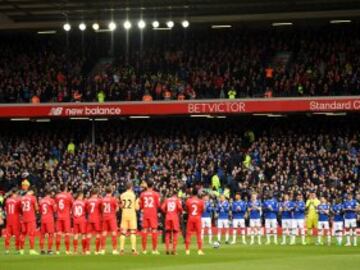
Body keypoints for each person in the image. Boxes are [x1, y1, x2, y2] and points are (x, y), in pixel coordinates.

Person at [139, 181, 161, 255]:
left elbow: (141, 206)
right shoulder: (156, 194)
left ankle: (144, 250)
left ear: (147, 185)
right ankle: (154, 250)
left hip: (145, 213)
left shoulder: (142, 194)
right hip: (153, 213)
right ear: (153, 186)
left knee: (144, 230)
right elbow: (158, 205)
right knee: (154, 230)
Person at [119, 182, 139, 255]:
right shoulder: (134, 195)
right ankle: (133, 250)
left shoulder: (122, 195)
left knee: (123, 232)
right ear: (131, 187)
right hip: (131, 214)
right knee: (133, 232)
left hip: (124, 214)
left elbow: (120, 206)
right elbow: (137, 208)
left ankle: (121, 250)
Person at [161, 190, 183, 255]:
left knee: (167, 233)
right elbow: (180, 208)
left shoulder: (167, 200)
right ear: (176, 195)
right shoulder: (177, 200)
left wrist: (166, 212)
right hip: (175, 217)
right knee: (176, 233)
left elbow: (162, 208)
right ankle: (174, 250)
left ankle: (167, 249)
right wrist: (179, 212)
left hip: (168, 217)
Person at [185, 188, 205, 255]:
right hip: (198, 218)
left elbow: (186, 209)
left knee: (188, 234)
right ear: (197, 193)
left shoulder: (188, 200)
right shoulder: (201, 201)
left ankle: (187, 250)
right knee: (199, 234)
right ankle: (199, 250)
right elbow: (203, 210)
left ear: (192, 193)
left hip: (190, 217)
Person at [55, 184, 73, 255]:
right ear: (65, 188)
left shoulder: (57, 196)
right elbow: (73, 204)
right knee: (67, 234)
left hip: (59, 216)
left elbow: (55, 205)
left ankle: (57, 250)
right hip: (66, 216)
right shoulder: (68, 196)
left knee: (59, 233)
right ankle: (67, 250)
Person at [101, 186, 119, 255]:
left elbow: (102, 209)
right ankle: (114, 250)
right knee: (114, 233)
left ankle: (102, 250)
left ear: (105, 191)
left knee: (104, 233)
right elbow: (117, 209)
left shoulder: (103, 199)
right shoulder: (113, 199)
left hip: (105, 216)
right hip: (112, 217)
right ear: (111, 191)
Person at [19, 190, 39, 255]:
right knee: (31, 234)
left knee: (23, 234)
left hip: (24, 218)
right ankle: (31, 250)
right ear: (32, 193)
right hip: (31, 218)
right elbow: (36, 208)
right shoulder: (33, 198)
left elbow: (20, 208)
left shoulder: (21, 198)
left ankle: (21, 250)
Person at [39, 189, 57, 254]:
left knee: (42, 235)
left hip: (43, 218)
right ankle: (49, 250)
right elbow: (55, 210)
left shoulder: (41, 201)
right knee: (51, 235)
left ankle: (42, 250)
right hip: (49, 219)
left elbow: (40, 211)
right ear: (49, 194)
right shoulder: (52, 200)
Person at [85, 188, 102, 255]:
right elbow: (101, 209)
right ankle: (97, 251)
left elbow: (86, 210)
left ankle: (87, 250)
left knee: (88, 234)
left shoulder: (88, 201)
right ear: (97, 193)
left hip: (90, 218)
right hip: (97, 219)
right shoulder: (99, 200)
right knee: (98, 234)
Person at [4, 188, 21, 254]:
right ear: (16, 193)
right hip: (15, 219)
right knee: (17, 235)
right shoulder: (18, 200)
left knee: (7, 235)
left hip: (9, 219)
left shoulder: (7, 200)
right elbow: (20, 209)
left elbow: (7, 210)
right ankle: (17, 249)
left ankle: (7, 250)